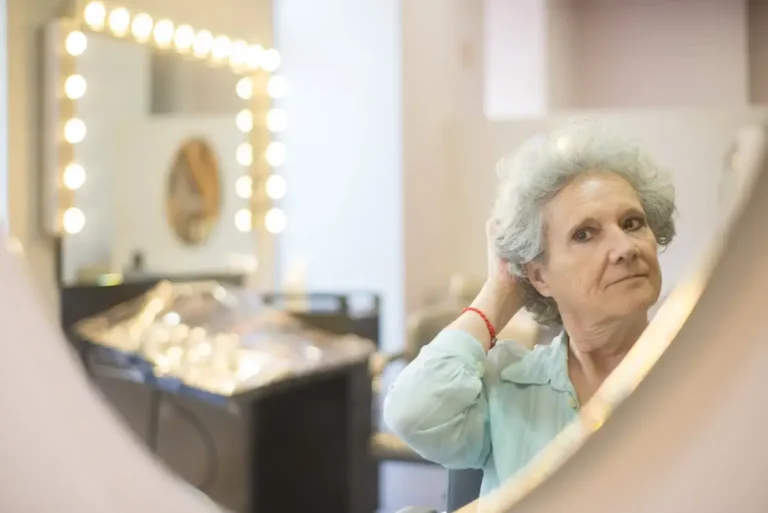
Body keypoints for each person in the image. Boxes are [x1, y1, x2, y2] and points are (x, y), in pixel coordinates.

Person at [383, 121, 676, 496]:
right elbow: (412, 413)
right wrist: (500, 289)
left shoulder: (696, 371)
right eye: (584, 234)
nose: (625, 248)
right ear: (539, 277)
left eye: (632, 223)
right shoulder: (510, 388)